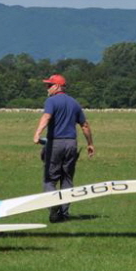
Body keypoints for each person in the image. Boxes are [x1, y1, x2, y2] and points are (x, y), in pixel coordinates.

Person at [33, 74, 95, 223]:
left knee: (49, 179)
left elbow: (46, 117)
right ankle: (64, 214)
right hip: (71, 144)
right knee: (67, 179)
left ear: (58, 86)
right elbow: (85, 125)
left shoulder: (51, 101)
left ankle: (53, 207)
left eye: (49, 85)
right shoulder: (75, 103)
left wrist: (37, 133)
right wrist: (90, 144)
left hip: (55, 143)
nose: (47, 88)